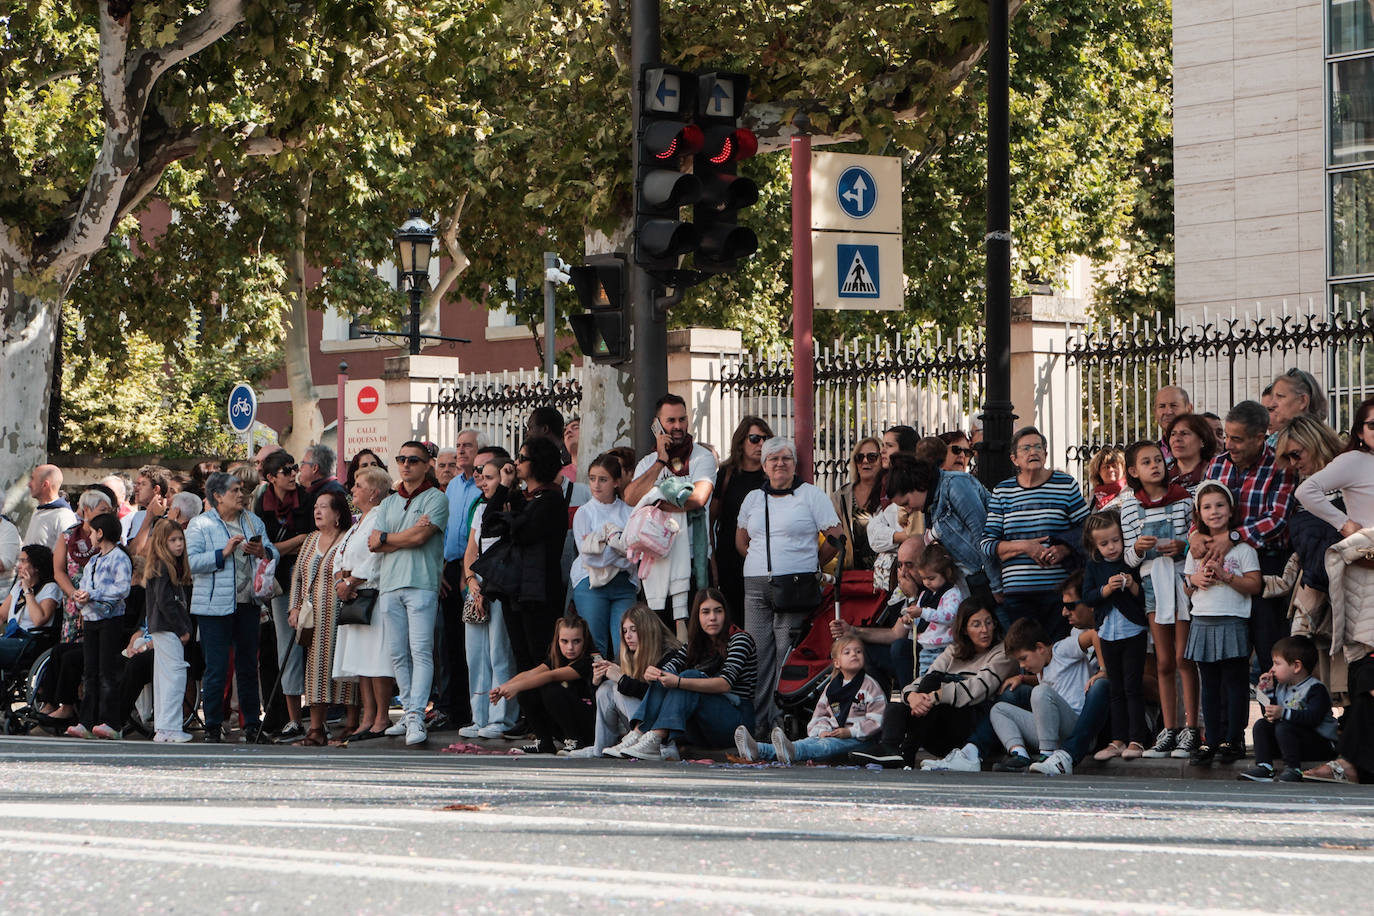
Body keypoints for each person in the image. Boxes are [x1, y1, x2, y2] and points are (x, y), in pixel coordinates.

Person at [736, 437, 843, 733]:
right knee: (757, 653)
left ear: (795, 464)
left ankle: (779, 721)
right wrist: (760, 561)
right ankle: (757, 724)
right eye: (773, 459)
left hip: (795, 585)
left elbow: (835, 534)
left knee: (785, 653)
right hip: (757, 584)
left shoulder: (811, 495)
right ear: (764, 465)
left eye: (786, 458)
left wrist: (812, 564)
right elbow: (741, 538)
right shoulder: (753, 499)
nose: (780, 463)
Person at [1194, 399, 1295, 678]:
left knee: (1269, 652)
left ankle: (1274, 717)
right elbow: (1201, 508)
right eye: (1226, 436)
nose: (1229, 445)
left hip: (1266, 566)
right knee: (1228, 657)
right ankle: (1228, 721)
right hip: (1220, 563)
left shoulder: (1280, 466)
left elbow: (1278, 519)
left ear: (1260, 437)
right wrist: (1194, 535)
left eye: (1237, 439)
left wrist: (1235, 536)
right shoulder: (1217, 464)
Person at [1303, 396, 1374, 785]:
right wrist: (1346, 525)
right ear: (1360, 432)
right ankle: (1350, 762)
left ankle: (1354, 762)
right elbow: (1307, 492)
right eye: (1373, 425)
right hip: (1367, 566)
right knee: (1367, 667)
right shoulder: (1353, 462)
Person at [859, 598, 1017, 771]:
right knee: (901, 701)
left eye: (989, 623)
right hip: (935, 729)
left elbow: (979, 689)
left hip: (971, 725)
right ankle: (889, 747)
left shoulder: (1003, 653)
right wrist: (911, 696)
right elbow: (925, 679)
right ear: (964, 629)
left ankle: (906, 752)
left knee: (934, 683)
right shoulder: (954, 651)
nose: (984, 630)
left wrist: (935, 696)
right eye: (976, 625)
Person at [1118, 440, 1198, 759]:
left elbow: (1194, 540)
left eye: (1158, 460)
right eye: (1146, 462)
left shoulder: (1183, 500)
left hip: (1180, 579)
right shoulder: (1128, 507)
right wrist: (1138, 549)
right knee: (1163, 661)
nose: (1155, 466)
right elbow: (1128, 557)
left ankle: (1192, 727)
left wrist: (1182, 547)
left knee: (1183, 658)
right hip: (1153, 582)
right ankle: (1170, 728)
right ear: (1134, 471)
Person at [370, 440, 449, 746]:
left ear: (426, 464)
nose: (405, 464)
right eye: (401, 458)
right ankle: (408, 711)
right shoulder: (389, 502)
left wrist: (391, 538)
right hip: (390, 584)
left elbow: (420, 537)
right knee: (398, 654)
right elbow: (374, 543)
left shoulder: (435, 499)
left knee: (421, 651)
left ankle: (416, 713)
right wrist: (400, 536)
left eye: (413, 460)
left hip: (421, 583)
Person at [616, 588, 757, 761]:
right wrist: (654, 673)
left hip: (736, 724)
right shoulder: (694, 643)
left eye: (718, 611)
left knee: (688, 677)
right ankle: (638, 733)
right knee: (668, 675)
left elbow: (725, 683)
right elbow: (670, 668)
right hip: (701, 728)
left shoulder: (740, 639)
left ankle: (655, 737)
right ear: (697, 616)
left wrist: (680, 682)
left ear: (726, 614)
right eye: (705, 612)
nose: (712, 617)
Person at [187, 472, 274, 743]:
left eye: (242, 490)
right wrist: (222, 553)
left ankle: (251, 724)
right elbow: (191, 563)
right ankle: (213, 724)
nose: (241, 495)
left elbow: (272, 550)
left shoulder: (252, 520)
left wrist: (263, 553)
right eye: (235, 490)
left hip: (248, 602)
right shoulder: (200, 524)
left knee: (248, 665)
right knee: (217, 666)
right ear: (217, 496)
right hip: (213, 607)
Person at [981, 426, 1090, 637]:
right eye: (1026, 448)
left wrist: (1064, 549)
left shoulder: (1065, 485)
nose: (1033, 452)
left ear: (1046, 454)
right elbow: (987, 544)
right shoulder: (1003, 491)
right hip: (1018, 595)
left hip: (1059, 592)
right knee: (1029, 657)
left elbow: (1087, 529)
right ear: (1014, 459)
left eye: (1038, 447)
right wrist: (1025, 546)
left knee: (1059, 652)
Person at [1184, 482, 1262, 767]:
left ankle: (1234, 738)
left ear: (1230, 511)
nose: (1214, 512)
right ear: (1199, 514)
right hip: (1203, 621)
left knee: (1234, 683)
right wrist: (1195, 580)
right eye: (1207, 507)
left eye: (1220, 505)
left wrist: (1226, 576)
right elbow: (1187, 583)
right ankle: (1212, 739)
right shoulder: (1196, 548)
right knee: (1210, 685)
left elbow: (1255, 584)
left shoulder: (1242, 550)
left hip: (1233, 620)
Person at [624, 394, 717, 628]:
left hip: (694, 560)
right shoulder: (648, 463)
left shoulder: (701, 458)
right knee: (658, 634)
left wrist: (654, 502)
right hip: (656, 561)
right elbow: (630, 497)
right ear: (657, 425)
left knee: (694, 635)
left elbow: (697, 498)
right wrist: (661, 462)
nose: (678, 426)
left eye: (682, 419)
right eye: (671, 421)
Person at [735, 635, 885, 765]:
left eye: (858, 651)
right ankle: (758, 749)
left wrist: (850, 732)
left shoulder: (870, 686)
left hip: (860, 739)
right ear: (837, 662)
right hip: (832, 733)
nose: (854, 654)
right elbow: (820, 715)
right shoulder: (832, 688)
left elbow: (877, 720)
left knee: (826, 746)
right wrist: (822, 731)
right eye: (847, 652)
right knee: (807, 742)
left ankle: (793, 752)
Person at [459, 447, 521, 740]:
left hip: (501, 583)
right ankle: (479, 715)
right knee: (476, 654)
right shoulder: (480, 508)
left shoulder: (512, 506)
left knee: (499, 652)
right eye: (481, 478)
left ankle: (501, 717)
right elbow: (472, 549)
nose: (483, 483)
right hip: (479, 582)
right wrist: (472, 581)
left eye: (490, 477)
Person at [287, 490, 357, 746]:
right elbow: (298, 576)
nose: (317, 511)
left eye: (324, 507)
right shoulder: (310, 539)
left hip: (341, 613)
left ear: (338, 513)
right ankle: (315, 729)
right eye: (316, 507)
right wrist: (293, 608)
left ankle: (351, 724)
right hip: (312, 616)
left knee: (345, 667)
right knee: (315, 669)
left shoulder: (348, 539)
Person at [989, 615, 1099, 771]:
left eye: (1024, 658)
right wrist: (1022, 678)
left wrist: (1103, 669)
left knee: (1040, 692)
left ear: (1040, 648)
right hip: (1053, 733)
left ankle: (1047, 755)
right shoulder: (1041, 667)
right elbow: (1054, 678)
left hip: (1077, 730)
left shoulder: (1061, 650)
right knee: (999, 709)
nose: (1022, 665)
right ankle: (1020, 756)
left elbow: (1095, 634)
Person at [1029, 573, 1114, 776]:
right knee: (1014, 694)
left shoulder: (1119, 627)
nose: (1064, 612)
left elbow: (1150, 684)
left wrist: (1108, 673)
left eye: (1071, 606)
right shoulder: (1077, 633)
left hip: (1117, 719)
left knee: (1101, 686)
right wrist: (1024, 678)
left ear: (1092, 602)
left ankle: (1066, 756)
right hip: (1082, 718)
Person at [332, 465, 394, 740]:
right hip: (352, 594)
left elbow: (376, 557)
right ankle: (367, 715)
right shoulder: (359, 520)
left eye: (358, 484)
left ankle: (381, 717)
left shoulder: (381, 516)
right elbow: (340, 553)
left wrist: (351, 582)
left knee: (376, 660)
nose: (352, 489)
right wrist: (339, 580)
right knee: (361, 662)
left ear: (373, 492)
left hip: (370, 594)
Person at [1080, 511, 1148, 761]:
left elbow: (1144, 598)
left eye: (1116, 540)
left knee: (1132, 686)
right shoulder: (1094, 565)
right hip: (1107, 633)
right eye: (1104, 543)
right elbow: (1087, 596)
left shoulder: (1131, 562)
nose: (1112, 547)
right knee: (1115, 687)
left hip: (1133, 631)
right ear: (1094, 545)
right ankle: (1117, 740)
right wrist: (1105, 589)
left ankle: (1137, 739)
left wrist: (1131, 585)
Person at [65, 513, 132, 740]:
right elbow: (85, 584)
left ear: (101, 533)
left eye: (93, 532)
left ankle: (111, 722)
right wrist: (80, 596)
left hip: (110, 620)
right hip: (92, 620)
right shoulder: (94, 560)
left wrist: (92, 594)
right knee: (90, 672)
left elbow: (122, 589)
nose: (91, 536)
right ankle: (86, 721)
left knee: (107, 672)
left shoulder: (119, 558)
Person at [490, 615, 596, 755]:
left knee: (550, 687)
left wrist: (516, 687)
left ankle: (575, 741)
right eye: (564, 641)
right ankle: (544, 742)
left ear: (585, 641)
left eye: (576, 641)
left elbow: (550, 676)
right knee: (527, 692)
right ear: (557, 640)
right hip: (566, 724)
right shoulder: (557, 658)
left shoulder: (589, 660)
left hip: (590, 728)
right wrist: (503, 687)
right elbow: (531, 673)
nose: (570, 647)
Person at [828, 537, 922, 692]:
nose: (903, 572)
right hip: (906, 656)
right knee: (862, 650)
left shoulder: (934, 587)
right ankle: (877, 705)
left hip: (928, 658)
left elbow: (922, 632)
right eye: (900, 565)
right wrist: (852, 630)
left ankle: (910, 701)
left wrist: (913, 598)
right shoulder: (907, 589)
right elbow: (895, 633)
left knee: (900, 648)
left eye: (909, 565)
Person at [1241, 635, 1338, 783]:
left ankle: (1293, 769)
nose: (1272, 669)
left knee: (1284, 726)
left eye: (1277, 664)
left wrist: (1283, 713)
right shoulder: (1282, 687)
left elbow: (1313, 718)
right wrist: (1265, 691)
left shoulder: (1316, 689)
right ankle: (1264, 766)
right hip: (1290, 742)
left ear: (1296, 666)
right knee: (1262, 724)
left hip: (1318, 744)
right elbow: (1270, 713)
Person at [589, 604, 681, 757]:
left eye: (633, 630)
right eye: (625, 631)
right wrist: (596, 681)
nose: (628, 636)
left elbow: (658, 697)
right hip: (635, 725)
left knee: (617, 686)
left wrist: (622, 679)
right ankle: (601, 749)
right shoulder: (628, 654)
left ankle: (662, 747)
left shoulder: (669, 654)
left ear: (647, 629)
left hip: (663, 728)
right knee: (605, 687)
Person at [436, 428, 482, 733]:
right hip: (450, 567)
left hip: (475, 570)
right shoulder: (453, 486)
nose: (461, 451)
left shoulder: (482, 484)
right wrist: (440, 567)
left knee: (474, 645)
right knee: (451, 642)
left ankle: (475, 710)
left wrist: (470, 574)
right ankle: (454, 709)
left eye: (467, 446)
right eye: (459, 446)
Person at [571, 453, 638, 657]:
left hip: (624, 584)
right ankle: (595, 689)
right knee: (595, 647)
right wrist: (620, 551)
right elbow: (589, 557)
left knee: (625, 647)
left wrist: (610, 548)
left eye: (603, 479)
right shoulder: (584, 512)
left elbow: (634, 552)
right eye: (592, 478)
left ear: (616, 482)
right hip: (589, 583)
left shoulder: (629, 511)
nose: (596, 485)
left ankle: (623, 688)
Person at [711, 416, 773, 620]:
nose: (761, 444)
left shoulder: (772, 477)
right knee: (733, 615)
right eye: (754, 438)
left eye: (765, 438)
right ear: (741, 441)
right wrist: (712, 561)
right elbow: (711, 518)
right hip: (729, 557)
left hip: (763, 557)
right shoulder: (726, 474)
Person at [140, 520, 192, 743]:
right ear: (162, 542)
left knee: (163, 677)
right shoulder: (164, 567)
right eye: (173, 540)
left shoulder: (159, 566)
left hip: (160, 627)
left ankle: (163, 728)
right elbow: (166, 601)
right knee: (175, 676)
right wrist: (182, 628)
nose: (179, 544)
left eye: (180, 539)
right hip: (168, 627)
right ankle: (171, 727)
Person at [909, 543, 968, 676]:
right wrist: (909, 620)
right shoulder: (925, 595)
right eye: (923, 578)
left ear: (946, 573)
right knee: (924, 681)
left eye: (931, 578)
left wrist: (923, 612)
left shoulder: (952, 593)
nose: (927, 583)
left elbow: (950, 616)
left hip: (945, 648)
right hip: (925, 648)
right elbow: (920, 620)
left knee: (941, 681)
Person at [0, 545, 61, 671]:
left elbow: (39, 619)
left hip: (31, 641)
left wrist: (28, 590)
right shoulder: (18, 586)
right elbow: (1, 615)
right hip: (12, 636)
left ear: (36, 566)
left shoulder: (50, 588)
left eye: (23, 561)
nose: (18, 566)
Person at [830, 436, 883, 572]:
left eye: (872, 457)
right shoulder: (841, 497)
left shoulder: (891, 493)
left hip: (886, 574)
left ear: (882, 460)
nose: (865, 461)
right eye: (859, 457)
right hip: (852, 575)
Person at [1266, 367, 1327, 443]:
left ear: (1302, 401)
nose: (1271, 404)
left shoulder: (1324, 444)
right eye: (1273, 397)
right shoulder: (1273, 441)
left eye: (1280, 396)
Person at [24, 465, 77, 550]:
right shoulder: (38, 511)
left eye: (33, 479)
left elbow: (67, 553)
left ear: (45, 485)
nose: (29, 484)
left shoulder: (64, 516)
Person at [1165, 412, 1217, 495]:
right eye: (1173, 434)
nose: (1177, 439)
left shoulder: (1214, 470)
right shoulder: (1162, 471)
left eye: (1184, 433)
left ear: (1202, 441)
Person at [1153, 385, 1193, 462]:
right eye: (1162, 406)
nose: (1168, 412)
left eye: (1173, 405)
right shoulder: (1150, 454)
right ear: (1155, 412)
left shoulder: (1202, 449)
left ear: (1189, 409)